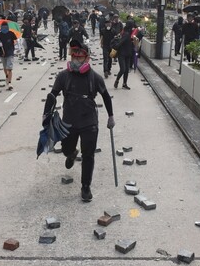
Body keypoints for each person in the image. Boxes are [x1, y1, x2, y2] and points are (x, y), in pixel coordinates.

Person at [42, 40, 115, 202]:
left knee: (88, 155)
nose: (76, 60)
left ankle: (85, 186)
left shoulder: (95, 78)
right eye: (73, 57)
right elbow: (52, 95)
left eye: (79, 57)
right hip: (69, 121)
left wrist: (111, 116)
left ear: (86, 59)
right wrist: (46, 115)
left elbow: (106, 96)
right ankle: (71, 154)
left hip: (89, 122)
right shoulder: (63, 76)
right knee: (67, 148)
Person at [113, 20, 136, 90]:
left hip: (128, 54)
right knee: (123, 69)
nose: (133, 28)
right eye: (132, 27)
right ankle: (117, 80)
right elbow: (120, 42)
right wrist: (115, 47)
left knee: (126, 70)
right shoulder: (126, 34)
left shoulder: (130, 34)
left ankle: (124, 84)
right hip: (122, 54)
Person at [0, 22, 17, 90]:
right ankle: (7, 77)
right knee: (5, 67)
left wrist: (15, 45)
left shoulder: (11, 33)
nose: (4, 28)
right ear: (1, 28)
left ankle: (10, 83)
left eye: (6, 27)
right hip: (2, 53)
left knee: (9, 68)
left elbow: (15, 40)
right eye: (3, 27)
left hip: (10, 52)